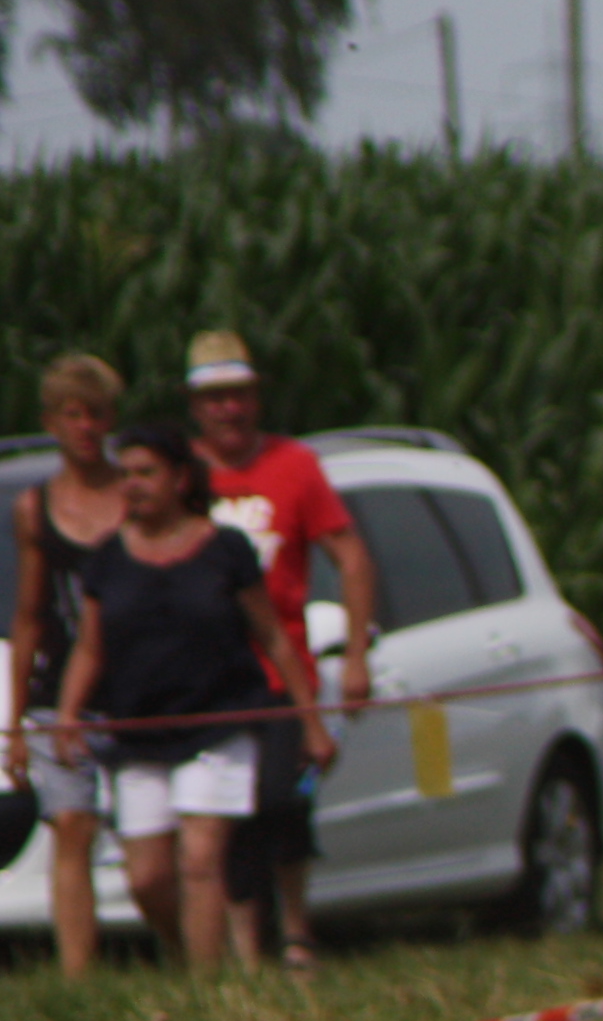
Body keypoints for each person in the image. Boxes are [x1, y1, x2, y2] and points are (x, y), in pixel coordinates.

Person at [52, 427, 331, 968]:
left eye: (146, 472)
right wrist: (67, 714)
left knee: (201, 860)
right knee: (147, 877)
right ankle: (189, 953)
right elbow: (90, 647)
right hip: (140, 730)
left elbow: (273, 636)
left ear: (180, 479)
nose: (133, 485)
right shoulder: (107, 558)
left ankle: (208, 990)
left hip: (219, 723)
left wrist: (309, 720)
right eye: (125, 474)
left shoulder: (226, 549)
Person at [184, 329, 371, 971]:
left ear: (256, 398)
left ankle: (295, 928)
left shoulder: (295, 466)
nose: (228, 409)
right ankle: (244, 948)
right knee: (226, 810)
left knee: (281, 798)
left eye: (239, 395)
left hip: (281, 669)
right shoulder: (181, 473)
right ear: (195, 405)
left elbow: (351, 556)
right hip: (205, 676)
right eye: (215, 398)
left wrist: (355, 656)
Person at [10, 355, 129, 974]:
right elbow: (29, 614)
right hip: (59, 691)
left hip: (138, 687)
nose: (86, 427)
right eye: (72, 414)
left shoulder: (137, 493)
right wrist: (14, 722)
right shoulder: (36, 508)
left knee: (150, 841)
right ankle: (78, 977)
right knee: (72, 825)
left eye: (97, 414)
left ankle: (184, 953)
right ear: (51, 422)